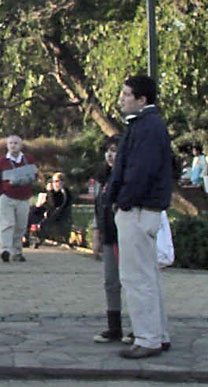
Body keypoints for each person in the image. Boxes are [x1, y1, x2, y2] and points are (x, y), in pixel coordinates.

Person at [106, 74, 172, 359]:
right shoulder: (146, 125)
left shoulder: (147, 127)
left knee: (136, 277)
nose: (121, 99)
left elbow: (140, 171)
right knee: (148, 276)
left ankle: (147, 338)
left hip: (138, 209)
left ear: (142, 99)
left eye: (126, 94)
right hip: (144, 208)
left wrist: (123, 200)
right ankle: (158, 333)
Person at [92, 135, 125, 344]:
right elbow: (99, 209)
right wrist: (96, 234)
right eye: (108, 151)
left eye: (115, 150)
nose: (111, 155)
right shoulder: (103, 179)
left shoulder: (126, 177)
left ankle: (139, 326)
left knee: (130, 282)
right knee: (110, 282)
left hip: (125, 236)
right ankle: (114, 326)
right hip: (108, 236)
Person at [0, 134, 37, 263]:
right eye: (10, 143)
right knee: (7, 224)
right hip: (7, 197)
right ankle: (5, 249)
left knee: (20, 226)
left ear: (21, 145)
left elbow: (34, 174)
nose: (13, 145)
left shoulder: (28, 159)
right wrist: (0, 193)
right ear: (7, 145)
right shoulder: (1, 162)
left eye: (16, 143)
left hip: (23, 197)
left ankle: (17, 251)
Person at [34, 172, 73, 247]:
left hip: (61, 216)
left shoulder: (65, 192)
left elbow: (55, 204)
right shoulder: (52, 192)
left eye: (57, 181)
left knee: (45, 223)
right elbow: (48, 204)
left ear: (62, 182)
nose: (55, 184)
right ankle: (30, 238)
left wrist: (50, 192)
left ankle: (65, 240)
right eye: (53, 181)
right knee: (33, 215)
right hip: (50, 214)